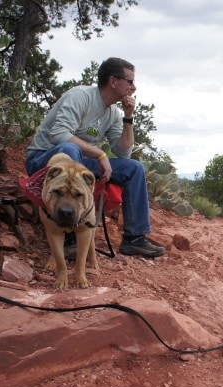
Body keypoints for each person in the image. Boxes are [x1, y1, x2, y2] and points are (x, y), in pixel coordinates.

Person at [25, 57, 165, 257]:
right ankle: (69, 239)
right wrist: (99, 153)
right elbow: (59, 134)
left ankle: (134, 239)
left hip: (79, 163)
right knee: (69, 149)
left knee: (134, 168)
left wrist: (128, 116)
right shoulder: (80, 96)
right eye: (130, 81)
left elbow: (123, 152)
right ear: (113, 81)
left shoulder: (113, 113)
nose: (134, 87)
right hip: (43, 160)